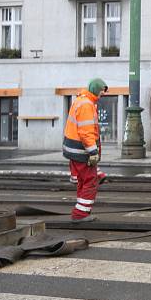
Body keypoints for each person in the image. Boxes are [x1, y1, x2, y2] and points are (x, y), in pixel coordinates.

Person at [62, 78, 108, 223]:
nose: (102, 95)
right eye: (101, 91)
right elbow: (86, 132)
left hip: (74, 150)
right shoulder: (87, 105)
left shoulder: (80, 100)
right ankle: (80, 214)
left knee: (83, 180)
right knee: (90, 182)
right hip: (82, 152)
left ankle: (81, 209)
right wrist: (93, 152)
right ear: (96, 90)